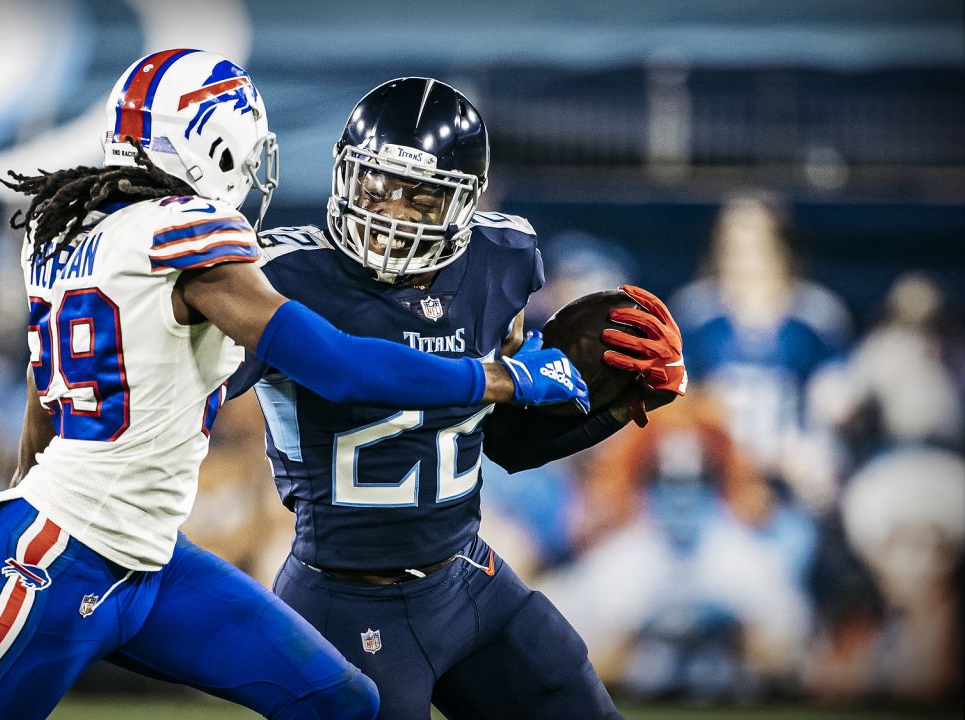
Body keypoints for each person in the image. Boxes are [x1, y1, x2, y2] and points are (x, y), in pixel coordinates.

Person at [0, 52, 587, 720]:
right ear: (212, 145)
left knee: (344, 704)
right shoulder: (189, 236)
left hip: (149, 556)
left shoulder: (69, 232)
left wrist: (25, 482)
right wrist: (501, 379)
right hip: (63, 555)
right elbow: (342, 367)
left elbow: (42, 379)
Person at [228, 78, 686, 719]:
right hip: (343, 598)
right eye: (375, 187)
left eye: (419, 199)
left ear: (465, 203)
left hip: (466, 579)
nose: (389, 215)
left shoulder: (501, 259)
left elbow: (502, 441)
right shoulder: (279, 275)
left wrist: (611, 410)